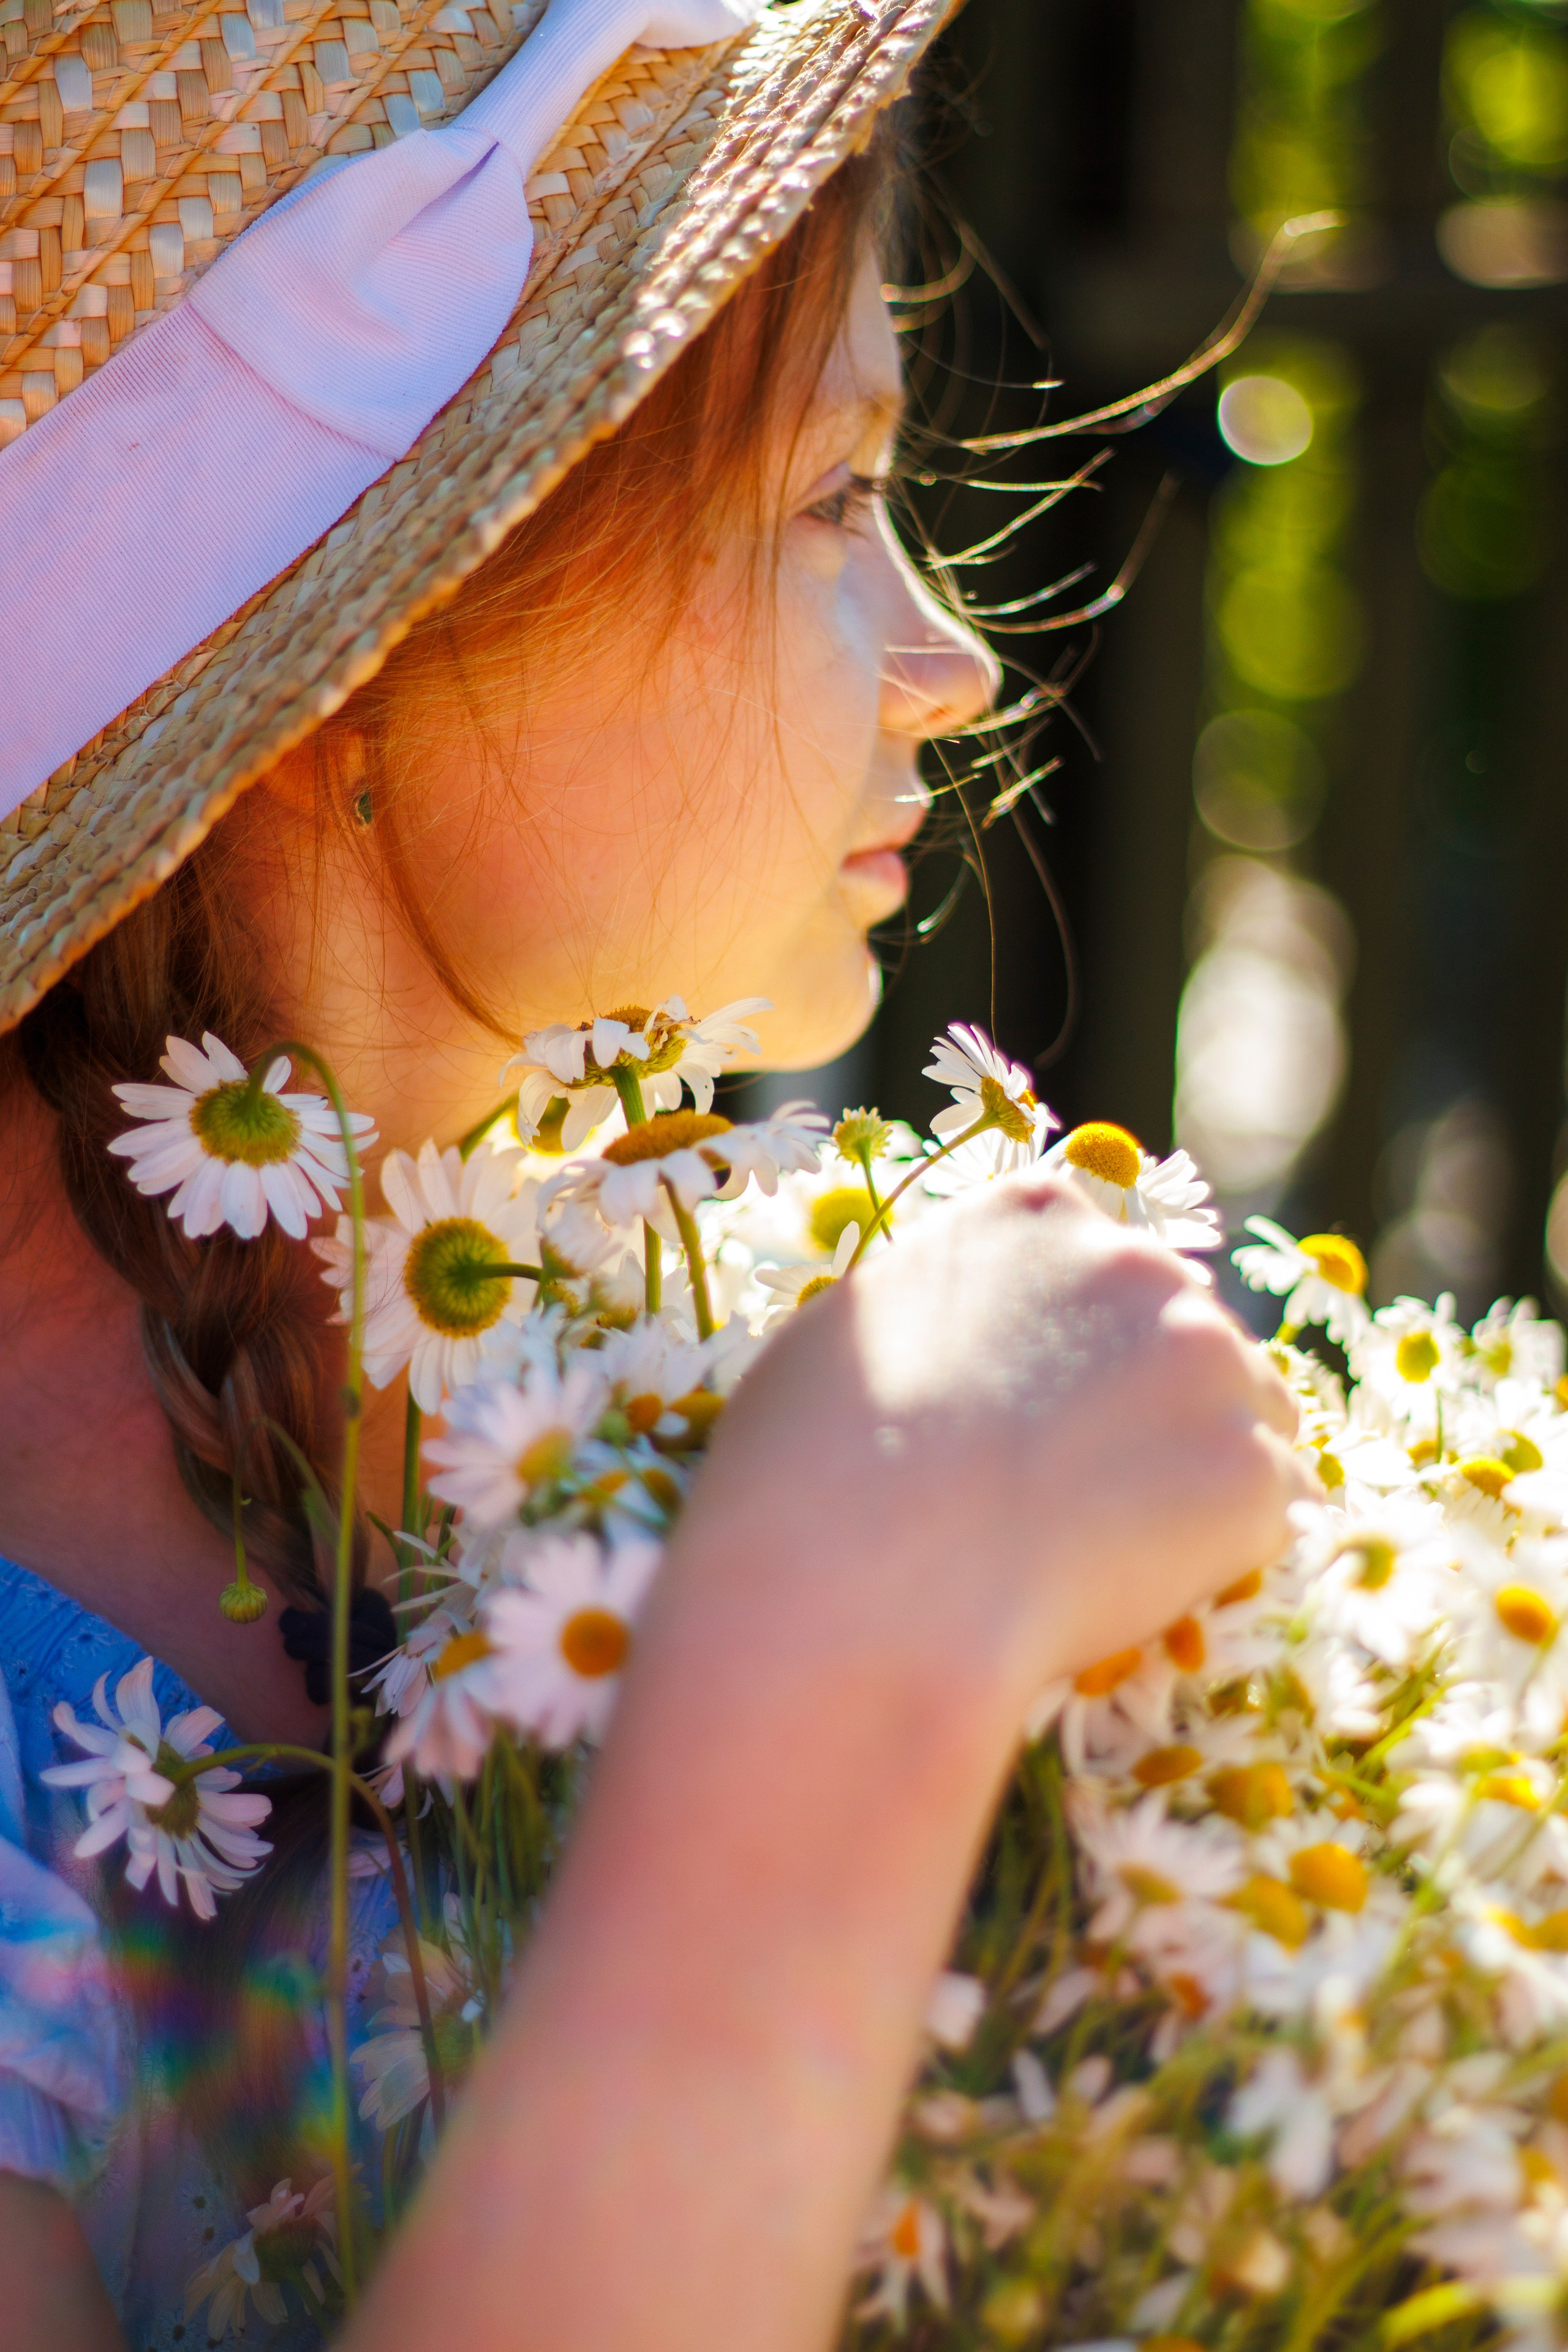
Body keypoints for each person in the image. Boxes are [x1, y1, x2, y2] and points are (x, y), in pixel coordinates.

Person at [0, 0, 1309, 2341]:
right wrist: (859, 1613)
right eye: (831, 501)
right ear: (356, 657)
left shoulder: (591, 1381)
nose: (954, 661)